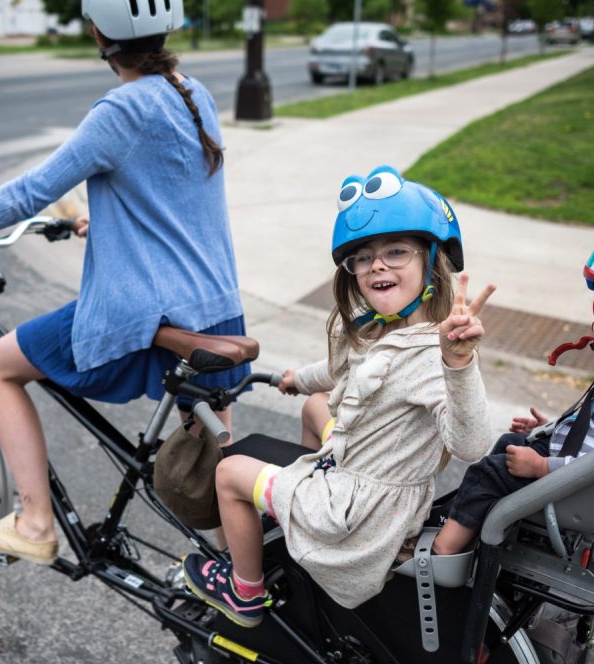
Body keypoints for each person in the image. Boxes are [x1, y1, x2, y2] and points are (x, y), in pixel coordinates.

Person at [0, 0, 248, 565]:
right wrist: (105, 219)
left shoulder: (120, 110)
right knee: (213, 474)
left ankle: (33, 523)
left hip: (150, 318)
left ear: (99, 32)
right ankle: (252, 585)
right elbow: (176, 198)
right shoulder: (189, 91)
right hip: (217, 313)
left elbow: (26, 193)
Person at [180, 166, 497, 625]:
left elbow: (471, 445)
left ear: (432, 263)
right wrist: (296, 379)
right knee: (315, 406)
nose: (377, 266)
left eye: (395, 252)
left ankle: (245, 592)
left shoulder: (435, 352)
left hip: (358, 517)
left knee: (230, 473)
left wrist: (459, 363)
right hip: (361, 483)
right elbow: (338, 369)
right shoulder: (379, 329)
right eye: (363, 258)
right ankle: (294, 519)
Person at [433, 217, 594, 556]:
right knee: (512, 443)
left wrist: (542, 466)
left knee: (490, 472)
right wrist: (552, 430)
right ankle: (466, 526)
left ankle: (442, 553)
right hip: (574, 473)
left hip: (580, 489)